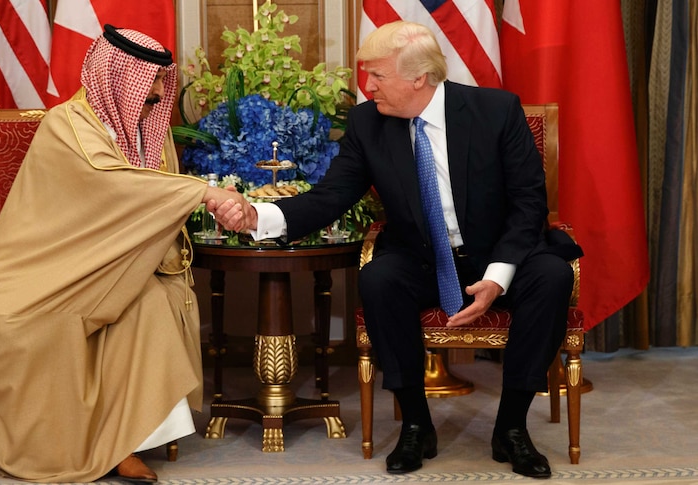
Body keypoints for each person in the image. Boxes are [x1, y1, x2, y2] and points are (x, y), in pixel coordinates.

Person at [212, 21, 575, 479]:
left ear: (419, 77)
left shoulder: (496, 111)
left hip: (499, 251)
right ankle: (417, 425)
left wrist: (498, 276)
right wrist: (257, 217)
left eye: (378, 75)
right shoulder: (368, 122)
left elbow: (529, 203)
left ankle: (512, 427)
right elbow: (331, 195)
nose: (367, 86)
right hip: (422, 256)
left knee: (552, 276)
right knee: (378, 278)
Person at [0, 26, 247, 483]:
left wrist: (205, 199)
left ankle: (127, 444)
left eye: (162, 79)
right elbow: (112, 186)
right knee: (64, 319)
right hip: (40, 270)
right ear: (119, 76)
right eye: (152, 80)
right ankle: (82, 446)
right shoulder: (68, 125)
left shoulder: (151, 132)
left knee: (151, 305)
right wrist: (204, 193)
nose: (161, 91)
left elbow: (152, 201)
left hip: (119, 268)